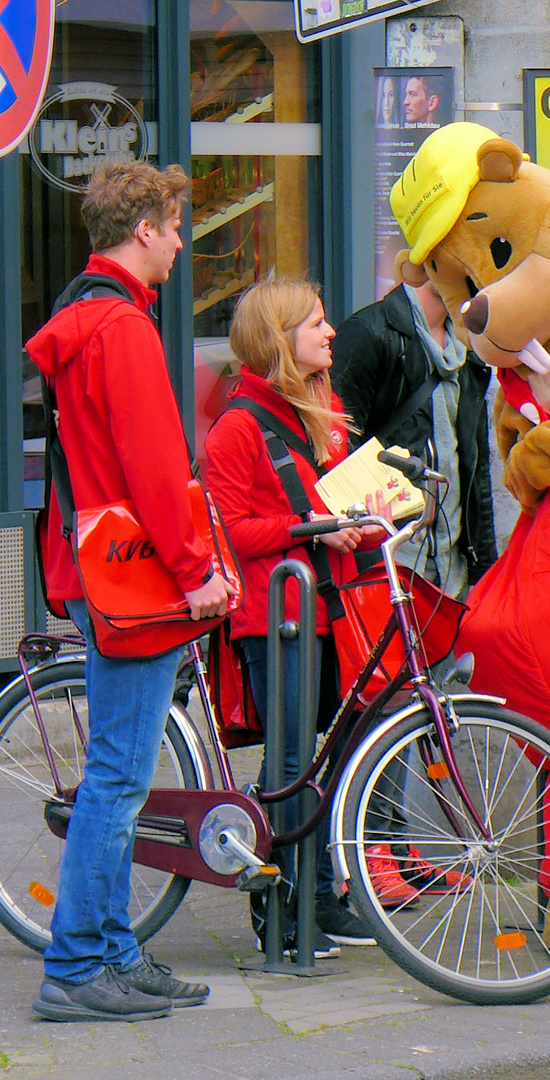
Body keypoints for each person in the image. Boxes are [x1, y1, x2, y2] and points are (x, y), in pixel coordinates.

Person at [26, 161, 234, 1023]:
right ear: (142, 230)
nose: (183, 242)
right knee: (118, 778)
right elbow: (156, 468)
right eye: (176, 226)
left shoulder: (83, 317)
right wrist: (199, 571)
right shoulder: (126, 331)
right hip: (140, 576)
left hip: (91, 567)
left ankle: (114, 951)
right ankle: (76, 966)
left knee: (118, 773)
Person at [204, 277, 383, 954]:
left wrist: (368, 515)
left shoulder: (324, 406)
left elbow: (333, 504)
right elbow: (228, 531)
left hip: (331, 609)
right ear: (281, 341)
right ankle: (282, 905)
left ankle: (322, 894)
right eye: (315, 323)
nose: (331, 331)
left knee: (332, 755)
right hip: (275, 617)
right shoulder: (237, 427)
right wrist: (306, 528)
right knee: (289, 763)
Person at [331, 278, 497, 905]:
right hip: (391, 558)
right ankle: (369, 853)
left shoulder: (468, 346)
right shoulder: (373, 333)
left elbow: (472, 457)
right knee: (386, 707)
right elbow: (336, 442)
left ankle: (398, 849)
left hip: (446, 555)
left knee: (423, 711)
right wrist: (393, 510)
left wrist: (480, 555)